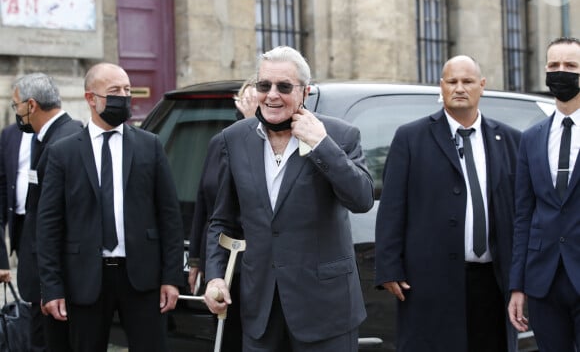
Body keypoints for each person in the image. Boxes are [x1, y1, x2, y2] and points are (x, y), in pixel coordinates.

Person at [203, 46, 374, 352]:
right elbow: (222, 220)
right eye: (264, 85)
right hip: (260, 311)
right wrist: (215, 277)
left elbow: (361, 198)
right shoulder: (235, 138)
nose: (272, 95)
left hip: (325, 310)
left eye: (284, 87)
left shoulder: (340, 135)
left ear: (305, 92)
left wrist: (321, 144)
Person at [375, 55, 521, 352]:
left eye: (467, 81)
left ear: (482, 86)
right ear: (441, 86)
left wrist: (521, 277)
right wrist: (389, 267)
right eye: (451, 81)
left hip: (493, 281)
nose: (459, 88)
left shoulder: (509, 140)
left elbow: (521, 210)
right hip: (430, 280)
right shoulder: (411, 138)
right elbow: (392, 207)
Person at [36, 62, 183, 352]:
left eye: (127, 90)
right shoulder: (63, 153)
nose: (124, 97)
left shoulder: (149, 146)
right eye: (114, 91)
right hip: (85, 280)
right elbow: (48, 226)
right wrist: (51, 287)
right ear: (91, 98)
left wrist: (171, 278)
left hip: (142, 278)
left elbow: (170, 216)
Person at [508, 36, 580, 351]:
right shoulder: (531, 138)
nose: (560, 71)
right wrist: (518, 286)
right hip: (543, 282)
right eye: (554, 65)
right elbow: (523, 215)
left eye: (571, 66)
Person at [10, 73, 83, 352]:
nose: (17, 113)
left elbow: (58, 221)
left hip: (51, 282)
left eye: (17, 106)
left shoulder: (62, 142)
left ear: (32, 105)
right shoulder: (49, 137)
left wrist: (49, 284)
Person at [187, 75, 258, 352]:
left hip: (253, 259)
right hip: (223, 257)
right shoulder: (220, 142)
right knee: (226, 335)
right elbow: (205, 202)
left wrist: (253, 122)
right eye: (248, 98)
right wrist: (196, 258)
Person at [0, 123, 30, 282]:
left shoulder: (66, 130)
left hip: (49, 222)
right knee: (29, 285)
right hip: (20, 222)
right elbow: (3, 186)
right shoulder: (9, 134)